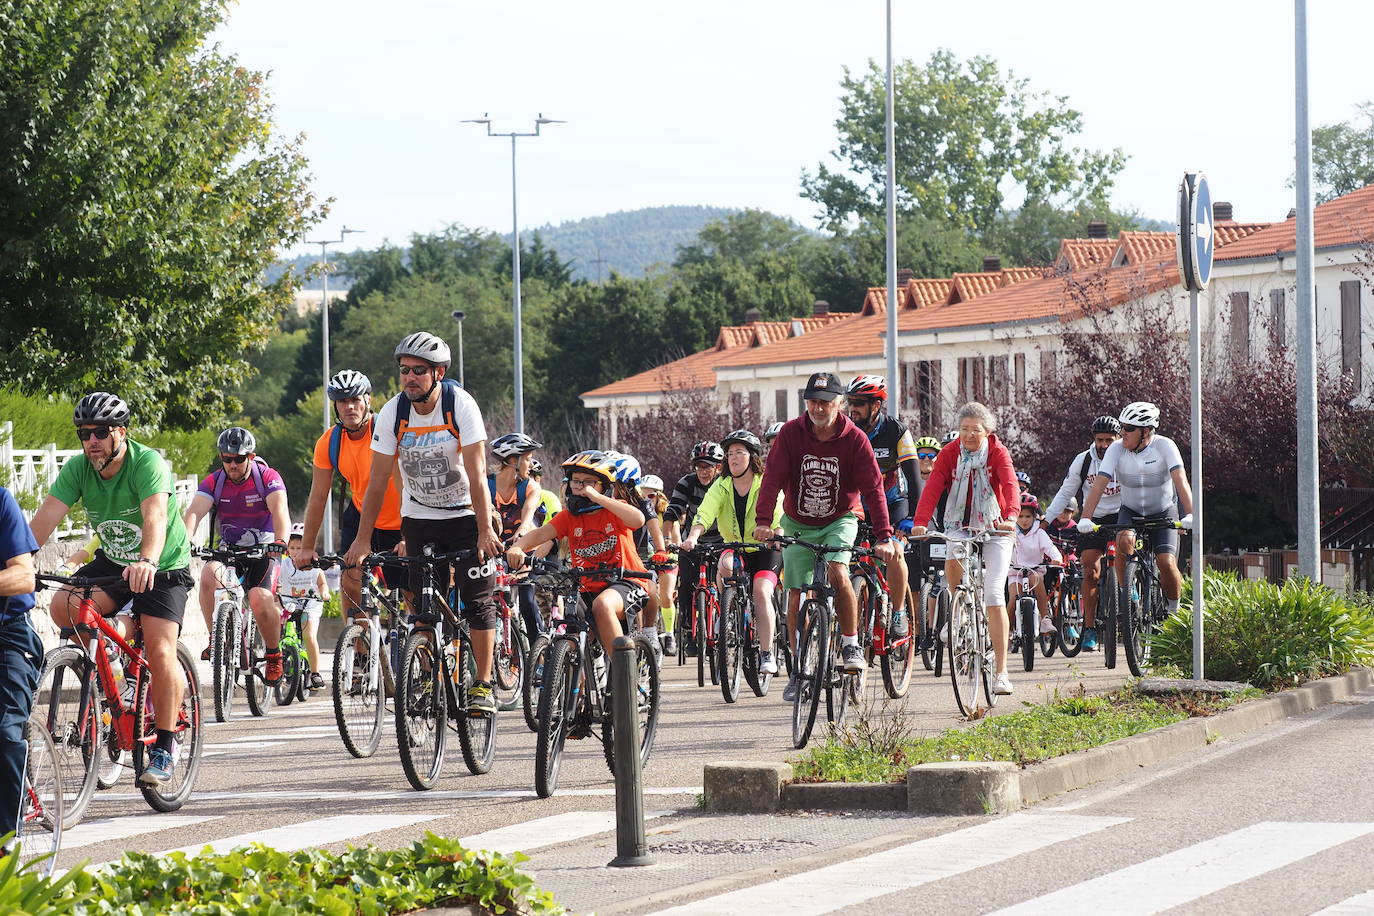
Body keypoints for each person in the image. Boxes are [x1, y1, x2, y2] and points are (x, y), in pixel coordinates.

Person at [28, 392, 194, 786]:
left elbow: (154, 516)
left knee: (160, 648)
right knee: (63, 605)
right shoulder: (78, 469)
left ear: (121, 431)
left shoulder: (146, 462)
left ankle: (165, 746)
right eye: (84, 433)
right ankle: (114, 679)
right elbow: (42, 522)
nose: (92, 441)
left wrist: (149, 560)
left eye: (100, 431)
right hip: (116, 561)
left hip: (163, 564)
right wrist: (16, 561)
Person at [344, 332, 502, 715]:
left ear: (439, 373)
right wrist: (362, 540)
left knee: (479, 601)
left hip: (465, 514)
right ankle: (430, 671)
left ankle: (482, 683)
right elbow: (378, 481)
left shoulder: (459, 404)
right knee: (421, 607)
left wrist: (485, 529)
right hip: (419, 518)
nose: (410, 378)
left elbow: (478, 474)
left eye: (419, 371)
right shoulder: (392, 413)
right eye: (404, 371)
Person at [753, 372, 899, 700]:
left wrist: (884, 535)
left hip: (839, 518)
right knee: (794, 592)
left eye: (825, 403)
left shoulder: (854, 438)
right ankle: (798, 665)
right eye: (812, 402)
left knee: (839, 573)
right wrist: (764, 521)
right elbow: (772, 479)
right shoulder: (791, 433)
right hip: (797, 521)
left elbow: (873, 489)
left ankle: (849, 645)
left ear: (838, 404)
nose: (818, 409)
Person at [910, 401, 1019, 696]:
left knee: (995, 594)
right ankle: (959, 612)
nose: (969, 435)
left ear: (987, 431)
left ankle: (1001, 672)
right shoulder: (949, 453)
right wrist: (920, 521)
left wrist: (1011, 516)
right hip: (959, 521)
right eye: (964, 430)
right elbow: (933, 486)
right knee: (952, 555)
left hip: (996, 524)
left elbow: (1009, 484)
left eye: (976, 430)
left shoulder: (997, 452)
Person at [505, 451, 650, 656]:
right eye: (576, 481)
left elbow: (638, 520)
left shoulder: (614, 510)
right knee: (570, 626)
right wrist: (518, 547)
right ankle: (575, 680)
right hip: (585, 586)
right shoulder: (568, 517)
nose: (580, 486)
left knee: (602, 605)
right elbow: (540, 534)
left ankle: (622, 674)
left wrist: (598, 497)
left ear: (604, 486)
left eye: (588, 482)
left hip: (626, 581)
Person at [182, 427, 291, 682]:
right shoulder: (215, 481)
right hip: (228, 551)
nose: (232, 464)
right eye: (227, 458)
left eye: (239, 458)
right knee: (209, 574)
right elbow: (194, 513)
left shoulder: (267, 477)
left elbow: (280, 511)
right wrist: (185, 540)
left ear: (250, 457)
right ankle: (216, 639)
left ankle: (274, 656)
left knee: (259, 597)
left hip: (264, 550)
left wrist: (281, 540)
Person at [297, 370, 405, 618]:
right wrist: (306, 547)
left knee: (410, 591)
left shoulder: (387, 432)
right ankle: (359, 649)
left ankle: (420, 649)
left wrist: (408, 535)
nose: (350, 407)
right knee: (349, 580)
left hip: (399, 519)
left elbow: (406, 486)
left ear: (368, 400)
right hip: (360, 514)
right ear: (335, 406)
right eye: (343, 401)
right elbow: (318, 497)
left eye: (356, 399)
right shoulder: (329, 441)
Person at [680, 430, 783, 675]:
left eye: (739, 452)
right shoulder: (722, 485)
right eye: (729, 454)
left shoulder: (765, 481)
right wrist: (693, 537)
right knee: (725, 566)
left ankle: (767, 653)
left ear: (752, 456)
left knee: (760, 591)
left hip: (765, 549)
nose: (733, 458)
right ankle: (726, 615)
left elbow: (777, 509)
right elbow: (704, 512)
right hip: (735, 547)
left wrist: (775, 533)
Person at [1078, 402, 1194, 620]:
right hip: (1131, 510)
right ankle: (1128, 595)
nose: (1123, 433)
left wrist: (1190, 514)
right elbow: (1099, 485)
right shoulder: (1116, 448)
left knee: (1166, 563)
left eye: (1129, 428)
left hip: (1163, 511)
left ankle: (1174, 611)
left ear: (1146, 431)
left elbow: (1181, 481)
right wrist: (1085, 518)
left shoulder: (1165, 446)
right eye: (1122, 427)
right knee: (1123, 542)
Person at [844, 375, 917, 637]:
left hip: (893, 502)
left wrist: (912, 518)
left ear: (876, 405)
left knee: (896, 551)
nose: (852, 408)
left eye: (859, 403)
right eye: (850, 402)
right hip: (858, 506)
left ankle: (898, 611)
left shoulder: (897, 431)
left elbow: (913, 476)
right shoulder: (845, 430)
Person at [1045, 416, 1122, 650]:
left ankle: (1129, 587)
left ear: (1118, 438)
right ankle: (1089, 628)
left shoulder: (1126, 458)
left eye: (1110, 439)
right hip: (1094, 518)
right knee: (1090, 569)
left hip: (1122, 514)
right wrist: (1046, 520)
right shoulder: (1084, 460)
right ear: (1093, 439)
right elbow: (1066, 490)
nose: (1104, 445)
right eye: (1100, 440)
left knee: (1126, 553)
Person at [0, 485, 41, 850]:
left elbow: (24, 577)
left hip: (9, 633)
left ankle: (7, 837)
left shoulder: (1, 501)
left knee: (5, 732)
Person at [662, 442, 724, 656]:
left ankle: (726, 623)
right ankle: (689, 631)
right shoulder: (687, 482)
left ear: (718, 467)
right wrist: (666, 538)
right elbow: (673, 510)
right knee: (687, 584)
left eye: (708, 466)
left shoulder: (725, 483)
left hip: (723, 539)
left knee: (726, 582)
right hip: (692, 541)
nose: (704, 471)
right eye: (699, 466)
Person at [488, 433, 546, 643]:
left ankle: (538, 658)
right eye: (528, 459)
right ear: (514, 460)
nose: (530, 465)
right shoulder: (487, 486)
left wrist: (521, 532)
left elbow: (528, 517)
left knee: (528, 603)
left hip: (525, 551)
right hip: (495, 551)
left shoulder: (530, 487)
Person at [279, 524, 331, 689]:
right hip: (288, 602)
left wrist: (324, 593)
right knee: (274, 629)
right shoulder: (283, 564)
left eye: (300, 548)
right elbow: (275, 582)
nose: (295, 551)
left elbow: (322, 583)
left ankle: (315, 673)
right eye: (292, 547)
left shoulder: (314, 566)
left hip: (310, 603)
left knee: (309, 636)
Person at [1010, 495, 1063, 634]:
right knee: (1013, 597)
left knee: (1037, 581)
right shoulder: (1011, 533)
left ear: (1034, 516)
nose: (1024, 520)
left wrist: (1056, 558)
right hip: (1015, 572)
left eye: (1027, 516)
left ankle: (1045, 619)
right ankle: (1007, 630)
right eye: (1020, 516)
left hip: (1035, 570)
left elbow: (1050, 548)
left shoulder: (1039, 533)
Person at [639, 474, 677, 653]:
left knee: (667, 596)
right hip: (646, 559)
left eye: (651, 495)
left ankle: (669, 635)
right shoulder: (638, 509)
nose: (647, 498)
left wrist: (670, 549)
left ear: (659, 496)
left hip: (667, 558)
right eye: (643, 494)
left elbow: (675, 536)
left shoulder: (666, 512)